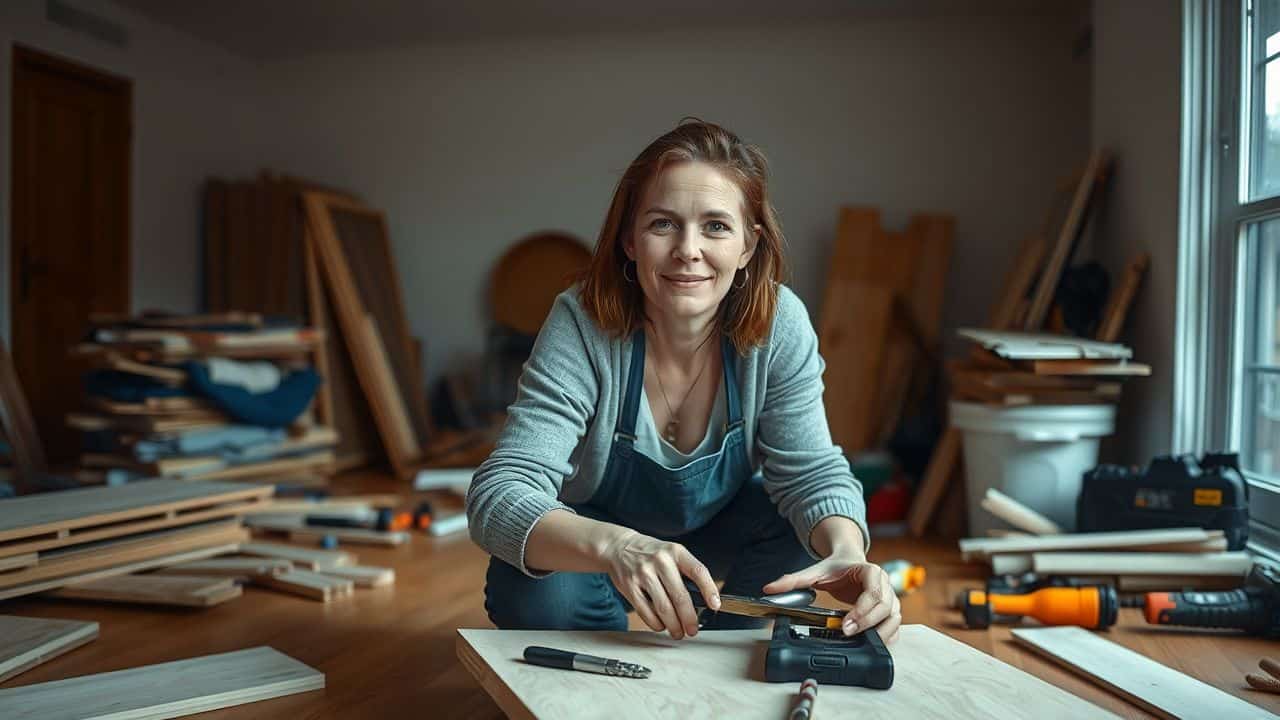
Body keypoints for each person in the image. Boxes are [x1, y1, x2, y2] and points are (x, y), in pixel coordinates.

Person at [466, 119, 901, 644]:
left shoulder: (780, 323)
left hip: (723, 530)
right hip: (599, 538)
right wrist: (618, 548)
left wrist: (849, 555)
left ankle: (727, 644)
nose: (688, 250)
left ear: (747, 246)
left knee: (806, 536)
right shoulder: (581, 322)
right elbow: (500, 492)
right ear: (629, 239)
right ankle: (606, 651)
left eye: (716, 226)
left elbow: (811, 474)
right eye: (663, 224)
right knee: (529, 588)